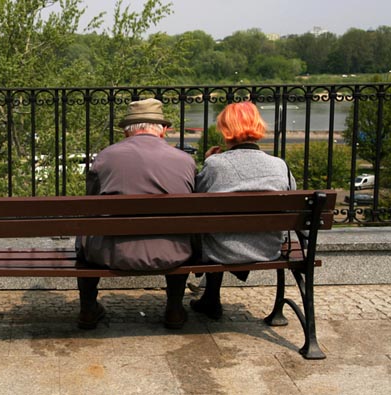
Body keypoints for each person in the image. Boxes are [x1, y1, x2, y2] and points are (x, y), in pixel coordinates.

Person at [75, 98, 197, 330]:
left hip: (111, 253)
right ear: (163, 130)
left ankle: (88, 309)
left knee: (85, 230)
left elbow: (90, 205)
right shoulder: (185, 160)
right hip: (173, 252)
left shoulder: (105, 157)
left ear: (125, 131)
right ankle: (173, 309)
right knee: (180, 230)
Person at [189, 101, 296, 320]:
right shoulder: (279, 165)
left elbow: (197, 201)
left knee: (211, 230)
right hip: (267, 249)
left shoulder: (216, 164)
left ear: (225, 130)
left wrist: (209, 162)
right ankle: (210, 297)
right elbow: (292, 202)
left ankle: (210, 298)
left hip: (221, 250)